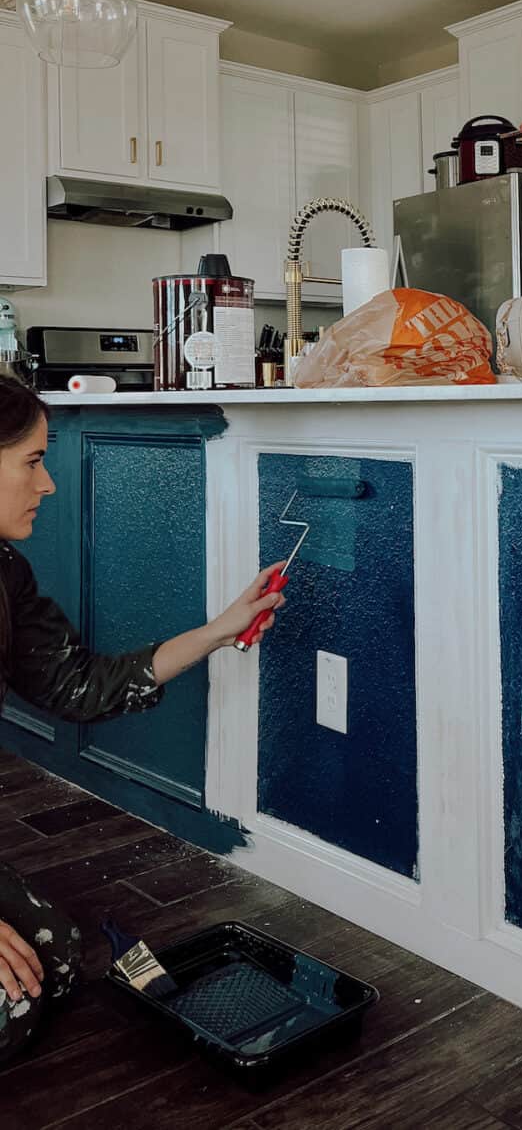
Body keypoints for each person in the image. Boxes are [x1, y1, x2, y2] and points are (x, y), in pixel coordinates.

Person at [0, 375, 286, 1063]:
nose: (50, 486)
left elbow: (80, 683)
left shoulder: (5, 575)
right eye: (32, 462)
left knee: (57, 964)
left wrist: (220, 630)